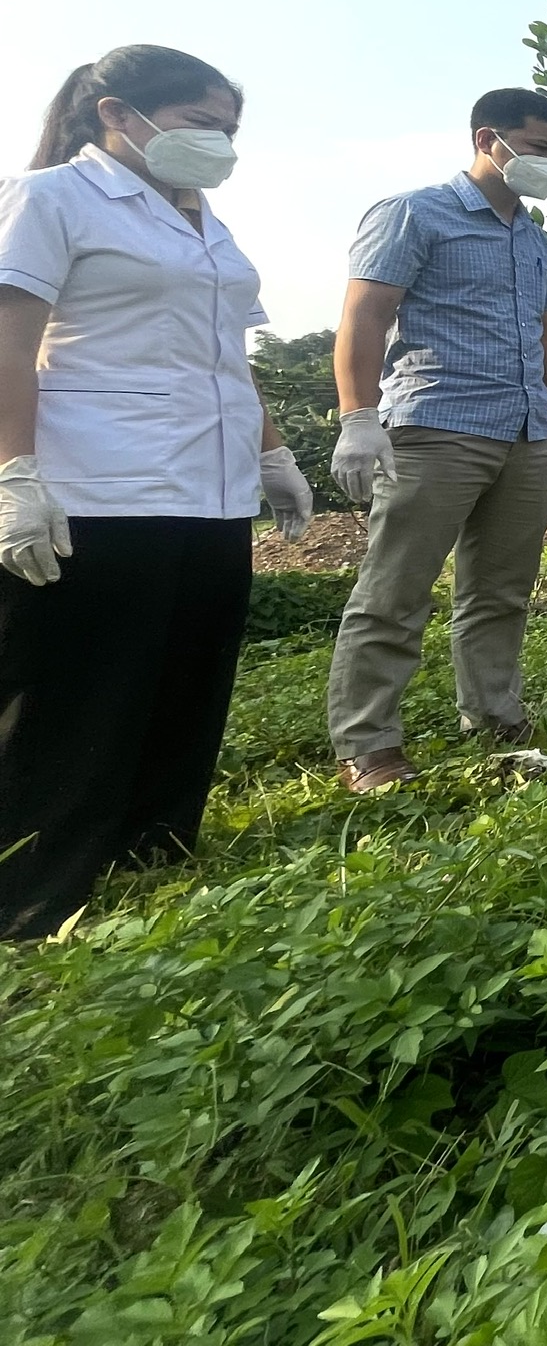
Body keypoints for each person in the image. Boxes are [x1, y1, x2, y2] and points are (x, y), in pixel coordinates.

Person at [0, 47, 314, 938]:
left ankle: (153, 854)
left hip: (205, 489)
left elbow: (227, 357)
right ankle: (35, 895)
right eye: (198, 125)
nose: (218, 145)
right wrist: (12, 474)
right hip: (98, 487)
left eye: (229, 130)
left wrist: (273, 454)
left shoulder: (206, 222)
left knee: (186, 679)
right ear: (115, 113)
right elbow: (7, 346)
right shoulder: (50, 199)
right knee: (82, 694)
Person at [324, 88, 547, 793]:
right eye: (539, 148)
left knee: (501, 589)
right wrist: (357, 416)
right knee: (395, 590)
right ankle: (369, 743)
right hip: (438, 425)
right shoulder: (414, 212)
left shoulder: (530, 233)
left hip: (523, 431)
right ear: (489, 139)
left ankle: (494, 713)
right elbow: (365, 315)